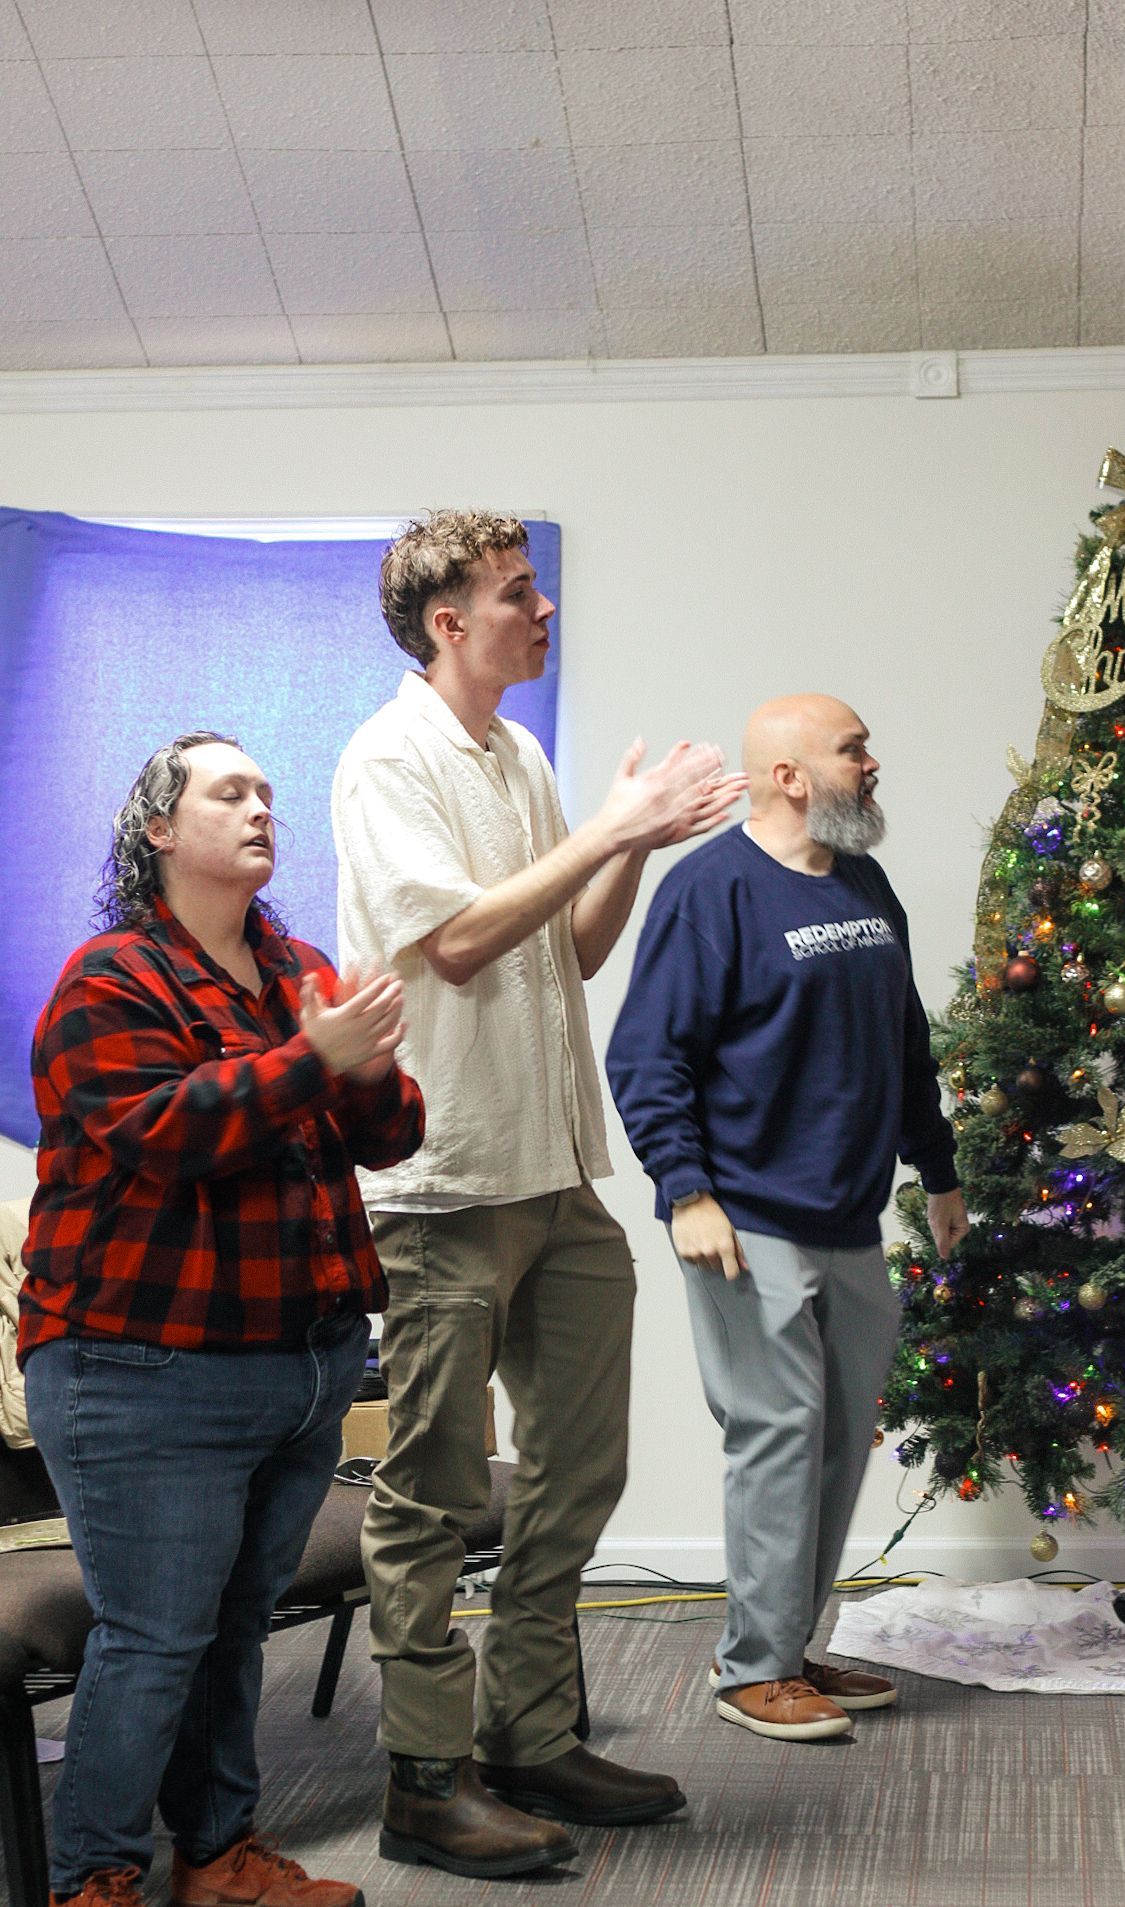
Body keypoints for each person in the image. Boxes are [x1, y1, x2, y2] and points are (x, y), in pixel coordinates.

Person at [332, 510, 746, 1880]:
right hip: (442, 1183)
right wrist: (614, 822)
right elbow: (451, 941)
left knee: (578, 1467)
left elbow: (562, 947)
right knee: (432, 1493)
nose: (542, 610)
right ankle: (424, 1778)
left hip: (554, 1169)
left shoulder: (516, 753)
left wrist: (631, 841)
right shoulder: (387, 757)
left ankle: (528, 1732)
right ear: (446, 621)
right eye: (517, 593)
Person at [19, 733, 424, 1907]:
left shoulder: (293, 965)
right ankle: (88, 1876)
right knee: (155, 1636)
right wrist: (315, 1056)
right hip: (139, 1368)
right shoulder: (108, 979)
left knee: (234, 1626)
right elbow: (173, 1132)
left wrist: (349, 1063)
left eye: (266, 794)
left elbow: (390, 1129)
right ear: (158, 829)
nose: (260, 809)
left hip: (299, 1362)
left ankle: (215, 1855)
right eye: (229, 792)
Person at [606, 694, 969, 1743]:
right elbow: (646, 1053)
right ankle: (750, 1667)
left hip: (847, 1214)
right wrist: (686, 1189)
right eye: (852, 748)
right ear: (789, 777)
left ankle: (788, 1644)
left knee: (836, 1438)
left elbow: (903, 1041)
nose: (872, 761)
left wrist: (935, 1171)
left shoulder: (862, 882)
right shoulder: (708, 890)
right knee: (776, 1432)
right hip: (744, 1212)